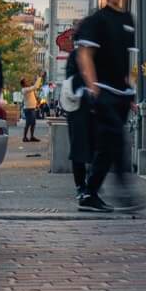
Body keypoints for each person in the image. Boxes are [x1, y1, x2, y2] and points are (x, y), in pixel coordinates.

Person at [74, 0, 140, 213]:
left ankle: (90, 194)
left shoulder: (128, 20)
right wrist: (93, 89)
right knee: (119, 140)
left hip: (121, 94)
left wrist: (131, 92)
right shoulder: (95, 20)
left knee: (106, 147)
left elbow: (125, 61)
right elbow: (84, 55)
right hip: (101, 92)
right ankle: (126, 193)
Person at [59, 51, 90, 198]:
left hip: (94, 109)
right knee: (79, 150)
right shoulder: (77, 55)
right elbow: (72, 80)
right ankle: (81, 186)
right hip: (78, 109)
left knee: (96, 149)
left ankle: (91, 184)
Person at [20, 77, 41, 142]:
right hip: (28, 109)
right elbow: (35, 86)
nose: (28, 82)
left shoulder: (28, 89)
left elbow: (34, 88)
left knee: (33, 123)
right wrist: (39, 78)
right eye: (26, 81)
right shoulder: (24, 89)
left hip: (32, 108)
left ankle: (31, 137)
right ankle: (24, 137)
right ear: (23, 83)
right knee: (28, 123)